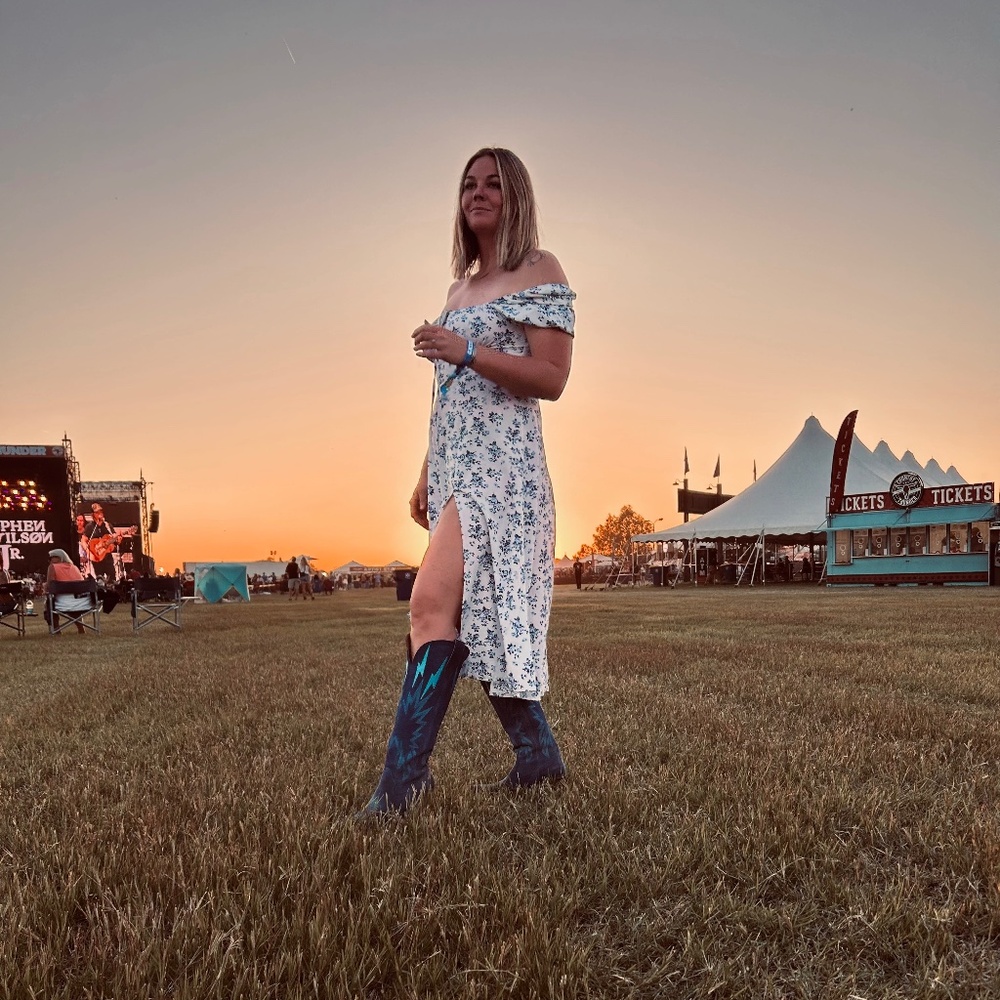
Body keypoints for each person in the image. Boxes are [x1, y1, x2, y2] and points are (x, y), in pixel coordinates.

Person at [358, 147, 576, 818]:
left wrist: (470, 350)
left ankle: (400, 788)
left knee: (429, 608)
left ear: (516, 198)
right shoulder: (459, 290)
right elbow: (450, 397)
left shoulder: (539, 270)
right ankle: (537, 757)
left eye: (493, 185)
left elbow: (554, 379)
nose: (477, 194)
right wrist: (427, 470)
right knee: (472, 619)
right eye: (468, 185)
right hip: (457, 469)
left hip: (504, 474)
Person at [45, 548, 87, 635]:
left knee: (50, 603)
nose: (49, 561)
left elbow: (50, 587)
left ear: (59, 558)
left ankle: (57, 630)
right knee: (71, 602)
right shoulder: (75, 567)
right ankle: (81, 628)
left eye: (51, 558)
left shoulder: (52, 567)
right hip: (82, 603)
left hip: (62, 603)